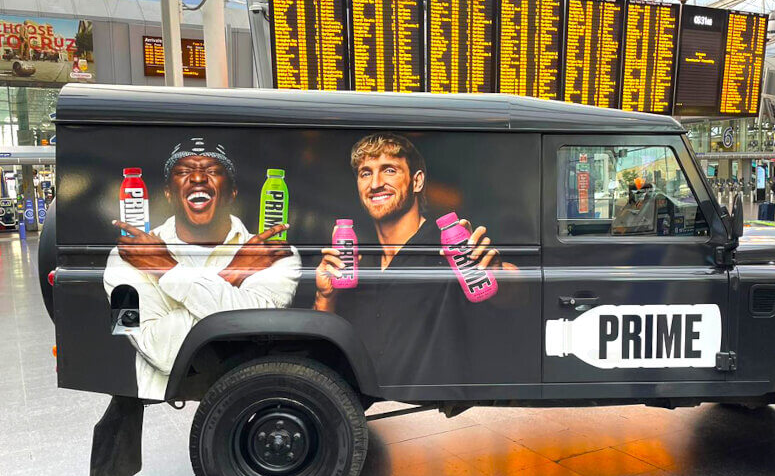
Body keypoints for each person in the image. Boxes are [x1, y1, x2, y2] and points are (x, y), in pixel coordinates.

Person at [103, 138, 301, 399]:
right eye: (184, 171)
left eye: (212, 170)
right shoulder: (121, 259)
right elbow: (159, 353)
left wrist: (168, 271)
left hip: (246, 406)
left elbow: (256, 333)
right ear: (168, 192)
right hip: (158, 411)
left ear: (232, 192)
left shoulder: (276, 255)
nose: (197, 178)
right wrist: (234, 273)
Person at [313, 132, 517, 377]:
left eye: (389, 170)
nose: (375, 183)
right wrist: (325, 295)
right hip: (371, 410)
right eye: (365, 173)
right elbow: (321, 356)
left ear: (417, 181)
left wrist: (498, 275)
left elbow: (518, 293)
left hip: (433, 411)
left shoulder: (448, 247)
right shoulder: (354, 261)